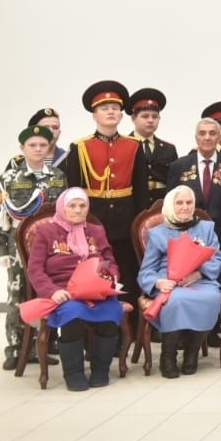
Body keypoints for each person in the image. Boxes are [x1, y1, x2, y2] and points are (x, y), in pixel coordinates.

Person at [25, 188, 124, 391]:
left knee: (111, 312)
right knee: (73, 314)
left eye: (82, 206)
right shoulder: (46, 232)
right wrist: (52, 291)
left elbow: (108, 261)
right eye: (72, 206)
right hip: (64, 292)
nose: (78, 210)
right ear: (63, 207)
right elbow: (35, 270)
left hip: (96, 291)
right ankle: (73, 373)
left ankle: (100, 370)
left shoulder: (96, 231)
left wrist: (110, 279)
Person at [65, 80, 150, 308]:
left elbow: (141, 188)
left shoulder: (133, 145)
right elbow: (73, 190)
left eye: (115, 108)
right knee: (93, 267)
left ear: (121, 115)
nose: (110, 112)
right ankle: (95, 317)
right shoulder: (80, 147)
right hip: (93, 217)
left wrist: (140, 221)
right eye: (104, 108)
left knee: (126, 268)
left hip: (126, 218)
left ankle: (128, 318)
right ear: (94, 115)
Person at [0, 125, 68, 370]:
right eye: (32, 145)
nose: (38, 149)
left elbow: (63, 214)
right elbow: (0, 217)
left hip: (50, 248)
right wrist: (1, 249)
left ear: (49, 147)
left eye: (42, 145)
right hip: (18, 248)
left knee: (46, 293)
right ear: (22, 148)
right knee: (17, 295)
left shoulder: (58, 176)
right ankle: (15, 348)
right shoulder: (8, 178)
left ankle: (40, 346)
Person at [138, 185, 221, 379]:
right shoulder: (157, 233)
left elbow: (219, 261)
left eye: (189, 202)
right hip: (169, 282)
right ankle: (168, 355)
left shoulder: (206, 228)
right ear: (170, 205)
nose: (185, 207)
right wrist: (158, 282)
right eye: (179, 203)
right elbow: (146, 271)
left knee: (211, 298)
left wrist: (198, 274)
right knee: (176, 300)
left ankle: (192, 352)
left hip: (200, 280)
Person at [167, 118, 221, 256]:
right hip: (185, 235)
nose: (207, 137)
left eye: (212, 133)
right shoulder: (179, 166)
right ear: (196, 137)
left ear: (218, 137)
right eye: (202, 133)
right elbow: (169, 205)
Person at [127, 87, 178, 206]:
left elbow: (174, 181)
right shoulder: (125, 146)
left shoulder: (169, 149)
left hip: (162, 206)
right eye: (145, 116)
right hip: (133, 205)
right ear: (133, 118)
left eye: (155, 117)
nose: (150, 120)